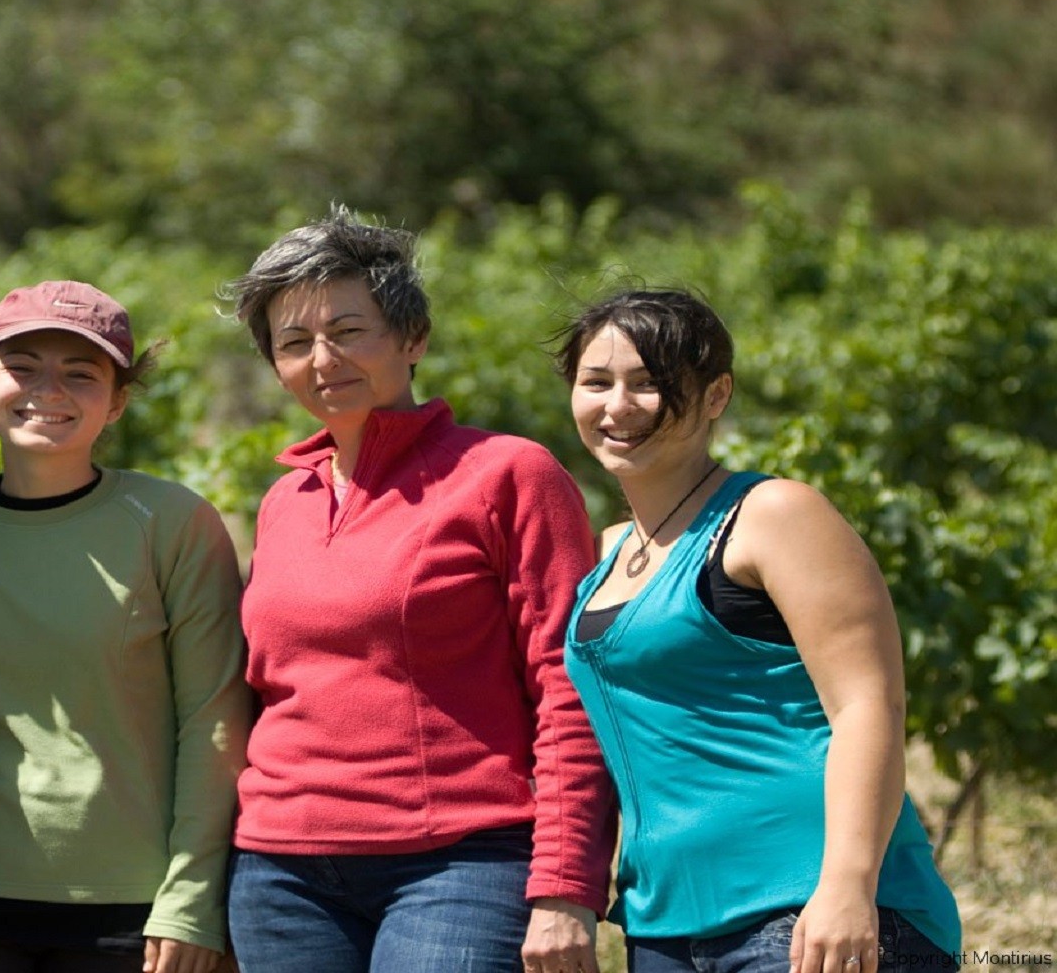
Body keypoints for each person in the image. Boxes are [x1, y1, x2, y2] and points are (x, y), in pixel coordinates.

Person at [220, 210, 616, 973]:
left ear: (413, 338)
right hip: (280, 873)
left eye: (348, 330)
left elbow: (570, 685)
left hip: (459, 863)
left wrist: (567, 884)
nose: (323, 359)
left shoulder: (508, 474)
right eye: (294, 343)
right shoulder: (283, 502)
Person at [554, 288, 962, 973]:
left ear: (716, 396)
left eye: (649, 384)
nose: (616, 406)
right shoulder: (607, 554)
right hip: (665, 923)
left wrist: (846, 887)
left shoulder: (772, 514)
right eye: (597, 382)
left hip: (804, 911)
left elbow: (867, 704)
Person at [0, 281, 250, 973]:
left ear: (118, 402)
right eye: (23, 367)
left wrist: (191, 897)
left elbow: (214, 719)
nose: (48, 390)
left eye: (81, 374)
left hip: (130, 908)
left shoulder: (173, 523)